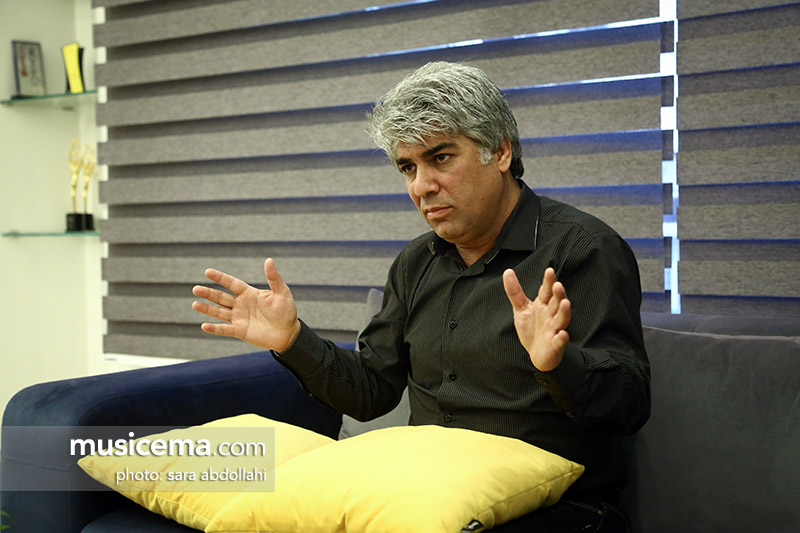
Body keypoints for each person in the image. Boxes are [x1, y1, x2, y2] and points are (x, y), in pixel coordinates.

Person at [192, 61, 650, 532]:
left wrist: (557, 364)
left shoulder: (583, 248)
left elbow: (628, 408)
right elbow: (371, 392)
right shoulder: (416, 263)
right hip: (426, 497)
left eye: (441, 158)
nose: (421, 186)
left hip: (558, 508)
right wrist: (291, 340)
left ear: (500, 152)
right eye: (408, 167)